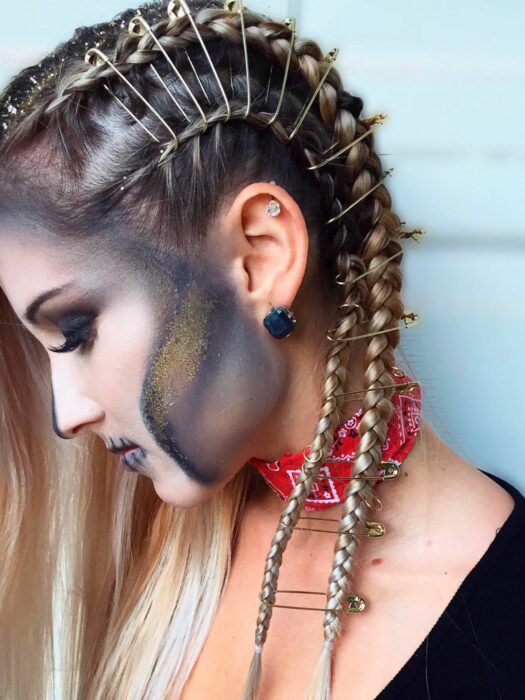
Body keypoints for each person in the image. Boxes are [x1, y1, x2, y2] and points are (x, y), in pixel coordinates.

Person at [0, 1, 523, 698]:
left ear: (260, 256)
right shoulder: (154, 543)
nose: (67, 415)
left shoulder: (505, 638)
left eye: (77, 331)